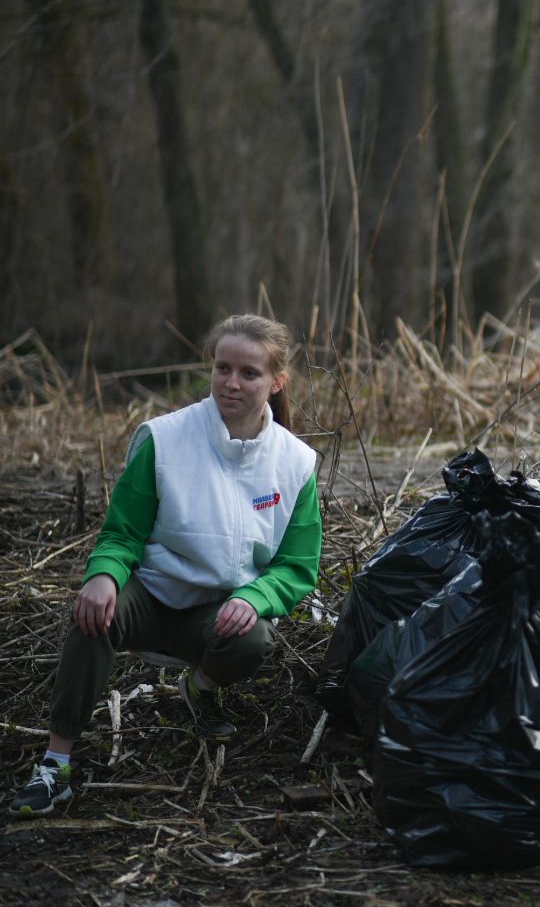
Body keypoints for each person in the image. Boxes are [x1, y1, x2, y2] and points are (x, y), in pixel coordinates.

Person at [9, 315, 322, 818]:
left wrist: (254, 598)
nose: (231, 383)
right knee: (91, 616)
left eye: (249, 373)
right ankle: (55, 765)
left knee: (256, 638)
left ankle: (200, 689)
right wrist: (104, 576)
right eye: (223, 368)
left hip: (218, 615)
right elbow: (122, 533)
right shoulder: (165, 438)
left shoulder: (295, 463)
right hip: (150, 597)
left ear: (276, 382)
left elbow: (297, 565)